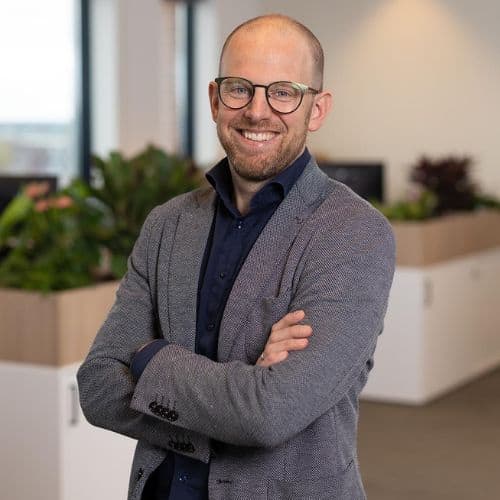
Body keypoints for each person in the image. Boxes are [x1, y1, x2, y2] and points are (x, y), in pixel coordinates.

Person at [77, 13, 395, 500]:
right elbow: (98, 387)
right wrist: (238, 398)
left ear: (317, 109)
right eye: (239, 88)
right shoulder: (167, 224)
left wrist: (149, 358)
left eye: (283, 92)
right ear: (214, 99)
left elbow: (271, 413)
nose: (256, 111)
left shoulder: (353, 233)